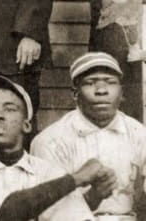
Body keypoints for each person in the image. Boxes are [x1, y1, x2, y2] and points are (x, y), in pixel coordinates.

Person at [0, 76, 100, 220]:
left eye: (9, 109)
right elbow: (3, 214)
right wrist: (75, 179)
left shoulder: (49, 173)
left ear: (26, 125)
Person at [32, 52, 145, 217]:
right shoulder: (50, 140)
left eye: (110, 82)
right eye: (90, 83)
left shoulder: (139, 133)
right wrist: (92, 198)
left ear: (121, 93)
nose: (101, 90)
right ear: (75, 94)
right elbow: (50, 212)